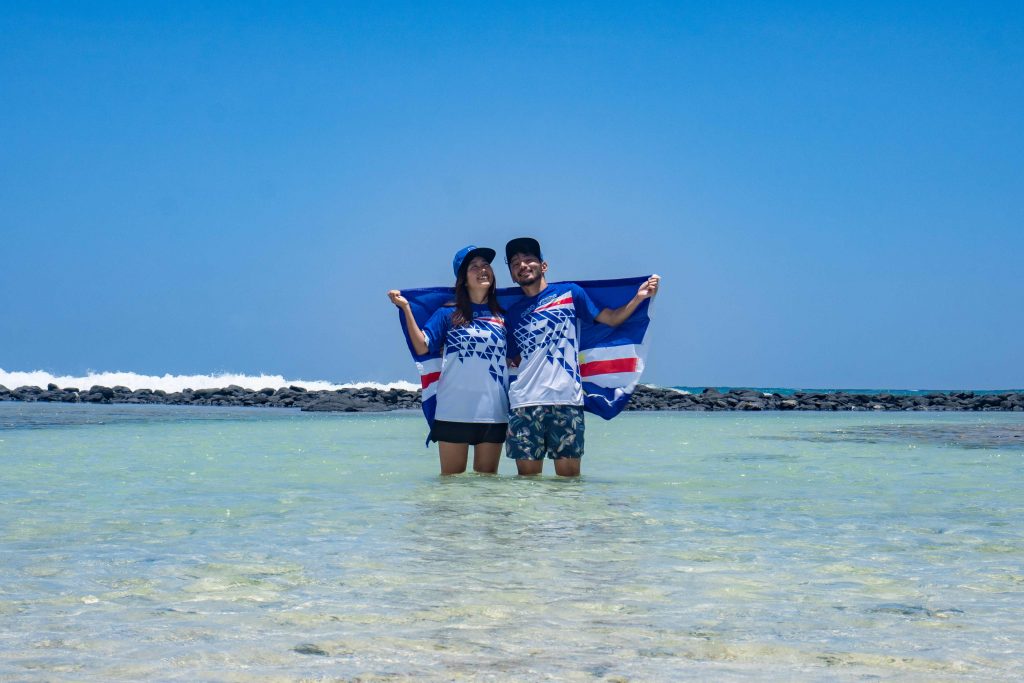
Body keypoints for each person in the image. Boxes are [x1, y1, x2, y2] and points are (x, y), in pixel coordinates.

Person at [503, 237, 660, 477]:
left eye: (528, 259)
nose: (523, 265)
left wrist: (639, 297)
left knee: (569, 484)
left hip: (566, 402)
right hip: (524, 403)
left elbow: (611, 319)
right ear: (513, 276)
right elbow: (511, 358)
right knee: (527, 486)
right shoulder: (513, 314)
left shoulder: (570, 293)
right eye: (515, 264)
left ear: (543, 266)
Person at [388, 246, 508, 475]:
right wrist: (405, 308)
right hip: (454, 409)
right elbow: (423, 345)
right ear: (463, 279)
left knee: (488, 486)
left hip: (494, 411)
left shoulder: (502, 315)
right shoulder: (448, 313)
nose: (482, 270)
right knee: (451, 487)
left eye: (486, 265)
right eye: (474, 267)